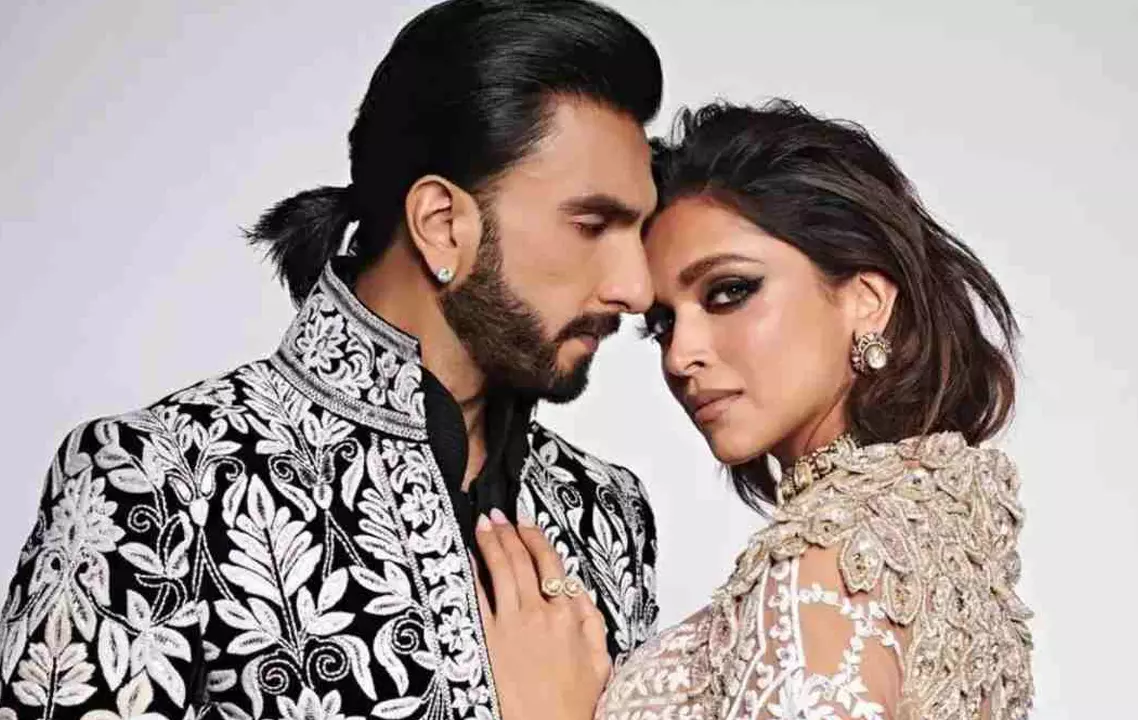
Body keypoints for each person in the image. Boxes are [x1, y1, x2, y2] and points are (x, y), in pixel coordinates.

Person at [0, 1, 665, 718]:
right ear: (442, 224)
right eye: (592, 225)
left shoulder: (607, 511)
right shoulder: (161, 482)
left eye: (639, 233)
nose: (636, 288)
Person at [476, 100, 1034, 719]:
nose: (680, 355)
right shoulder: (937, 542)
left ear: (867, 300)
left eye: (729, 292)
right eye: (662, 324)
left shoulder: (830, 563)